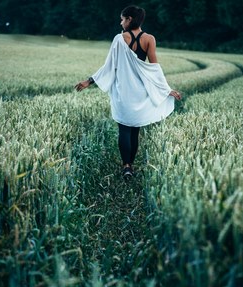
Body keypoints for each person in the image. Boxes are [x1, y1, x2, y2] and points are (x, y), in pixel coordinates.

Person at [75, 5, 182, 178]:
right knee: (135, 130)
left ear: (129, 19)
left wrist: (89, 80)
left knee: (124, 129)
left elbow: (109, 66)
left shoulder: (119, 39)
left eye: (122, 19)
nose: (120, 22)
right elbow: (154, 69)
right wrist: (166, 90)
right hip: (140, 93)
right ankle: (130, 166)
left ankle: (126, 166)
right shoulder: (149, 39)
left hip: (123, 92)